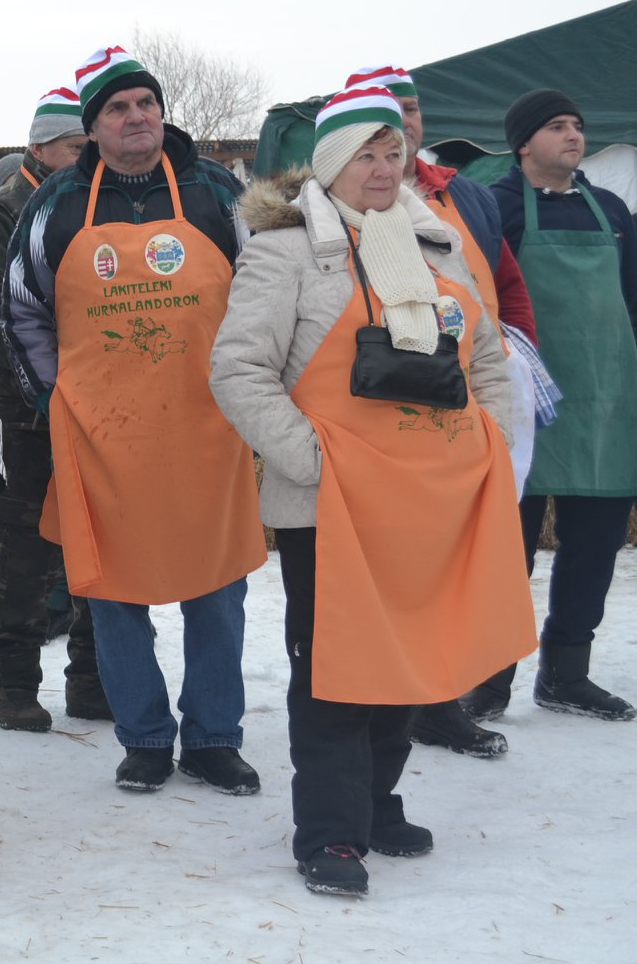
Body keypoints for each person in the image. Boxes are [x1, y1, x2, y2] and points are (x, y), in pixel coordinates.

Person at [212, 82, 533, 896]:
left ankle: (377, 800)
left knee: (410, 657)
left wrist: (485, 442)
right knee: (333, 670)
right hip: (336, 506)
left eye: (394, 153)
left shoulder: (437, 248)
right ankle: (330, 831)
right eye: (367, 156)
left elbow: (487, 360)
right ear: (329, 165)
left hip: (430, 499)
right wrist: (318, 463)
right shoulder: (283, 251)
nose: (386, 169)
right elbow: (238, 370)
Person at [5, 46, 265, 796]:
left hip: (209, 434)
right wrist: (60, 403)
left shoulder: (217, 191)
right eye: (117, 108)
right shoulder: (56, 203)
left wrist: (251, 398)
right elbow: (20, 308)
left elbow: (264, 300)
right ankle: (146, 737)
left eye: (146, 102)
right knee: (115, 595)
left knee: (217, 591)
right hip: (104, 439)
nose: (136, 117)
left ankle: (215, 737)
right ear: (93, 128)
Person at [355, 66, 537, 759]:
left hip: (475, 398)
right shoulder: (344, 213)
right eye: (383, 121)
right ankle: (417, 703)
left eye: (410, 112)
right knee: (415, 568)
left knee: (477, 550)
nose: (404, 127)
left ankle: (461, 686)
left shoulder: (465, 195)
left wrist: (514, 360)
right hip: (399, 407)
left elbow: (503, 282)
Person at [467, 88, 637, 722]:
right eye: (557, 127)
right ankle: (489, 678)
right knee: (507, 549)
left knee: (594, 545)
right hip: (524, 405)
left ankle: (567, 671)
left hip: (606, 404)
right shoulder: (497, 208)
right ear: (523, 143)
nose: (573, 136)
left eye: (578, 126)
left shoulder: (614, 210)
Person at [0, 84, 105, 731]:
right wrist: (45, 388)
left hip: (99, 412)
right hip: (25, 415)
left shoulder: (100, 203)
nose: (87, 156)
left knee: (102, 549)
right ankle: (11, 685)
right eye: (78, 145)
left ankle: (95, 681)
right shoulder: (2, 212)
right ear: (41, 146)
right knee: (23, 553)